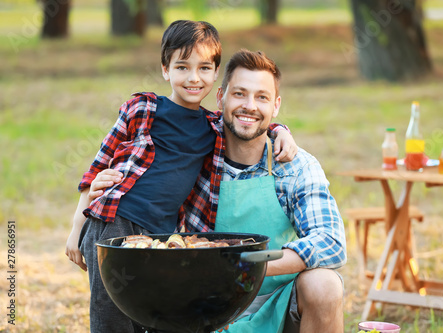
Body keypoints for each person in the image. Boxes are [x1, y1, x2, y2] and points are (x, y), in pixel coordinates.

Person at [90, 49, 346, 332]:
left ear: (275, 106)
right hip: (204, 304)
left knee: (324, 285)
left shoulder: (295, 165)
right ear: (220, 97)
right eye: (239, 94)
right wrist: (101, 192)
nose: (249, 106)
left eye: (262, 97)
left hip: (277, 303)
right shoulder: (193, 152)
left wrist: (249, 266)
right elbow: (137, 178)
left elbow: (330, 242)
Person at [65, 21, 296, 333]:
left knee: (159, 309)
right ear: (165, 69)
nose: (193, 77)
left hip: (164, 234)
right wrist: (76, 227)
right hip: (114, 221)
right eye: (182, 67)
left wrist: (282, 131)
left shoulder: (212, 127)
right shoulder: (142, 108)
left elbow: (249, 120)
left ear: (216, 74)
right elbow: (97, 167)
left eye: (203, 68)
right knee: (113, 311)